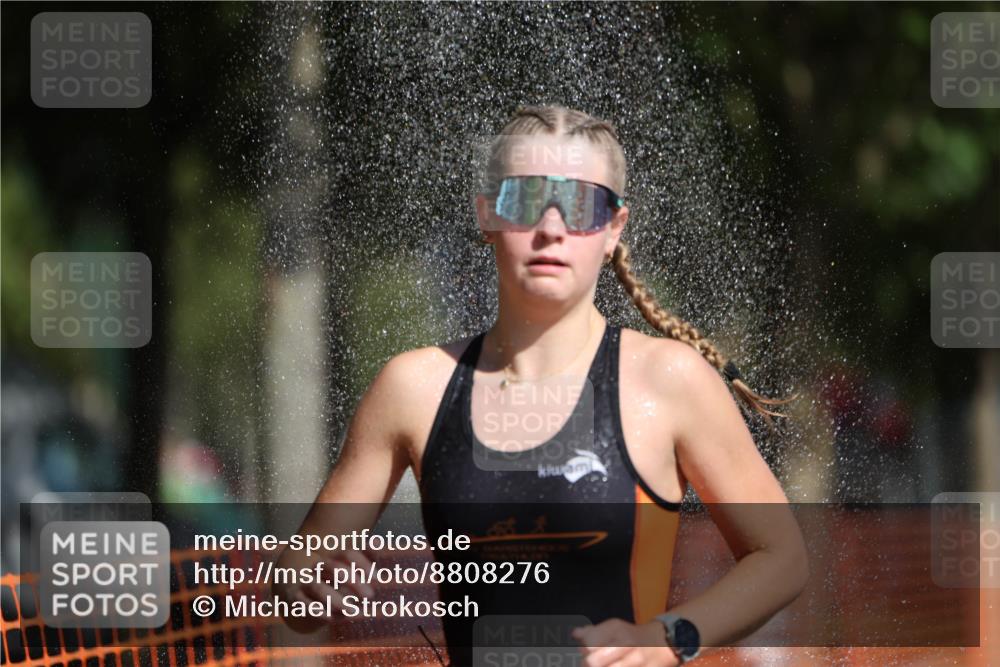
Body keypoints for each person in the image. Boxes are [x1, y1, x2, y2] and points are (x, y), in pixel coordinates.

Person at [274, 104, 809, 666]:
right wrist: (308, 585)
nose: (552, 227)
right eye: (527, 200)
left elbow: (782, 557)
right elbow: (298, 587)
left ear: (613, 229)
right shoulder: (413, 388)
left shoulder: (668, 381)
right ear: (488, 215)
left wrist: (671, 636)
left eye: (582, 205)